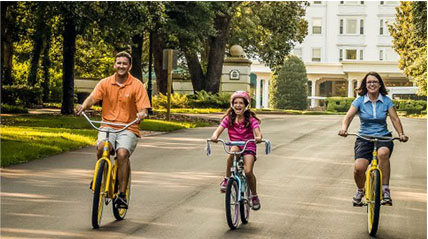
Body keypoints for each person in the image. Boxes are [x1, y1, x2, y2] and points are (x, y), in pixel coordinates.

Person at [76, 51, 151, 209]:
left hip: (128, 126)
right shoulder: (105, 83)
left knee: (122, 154)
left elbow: (144, 108)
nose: (121, 66)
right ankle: (100, 178)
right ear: (114, 65)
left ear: (129, 66)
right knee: (102, 147)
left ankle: (122, 195)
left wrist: (142, 114)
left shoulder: (137, 85)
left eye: (124, 63)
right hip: (107, 125)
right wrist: (83, 106)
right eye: (119, 63)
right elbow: (92, 98)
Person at [338, 72, 408, 207]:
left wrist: (401, 134)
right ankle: (360, 190)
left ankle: (385, 190)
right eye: (369, 82)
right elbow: (348, 117)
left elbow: (395, 118)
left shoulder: (387, 101)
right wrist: (344, 129)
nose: (372, 84)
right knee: (359, 168)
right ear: (365, 85)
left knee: (383, 154)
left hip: (383, 136)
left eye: (375, 82)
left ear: (379, 84)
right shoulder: (359, 101)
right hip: (364, 137)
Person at [210, 91, 263, 210]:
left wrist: (258, 137)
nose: (238, 105)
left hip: (249, 146)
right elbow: (218, 130)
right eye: (235, 103)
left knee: (248, 171)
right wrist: (214, 137)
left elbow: (257, 132)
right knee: (232, 154)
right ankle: (227, 178)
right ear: (232, 105)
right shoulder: (229, 118)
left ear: (246, 105)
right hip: (236, 144)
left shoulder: (250, 119)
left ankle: (254, 196)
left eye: (241, 103)